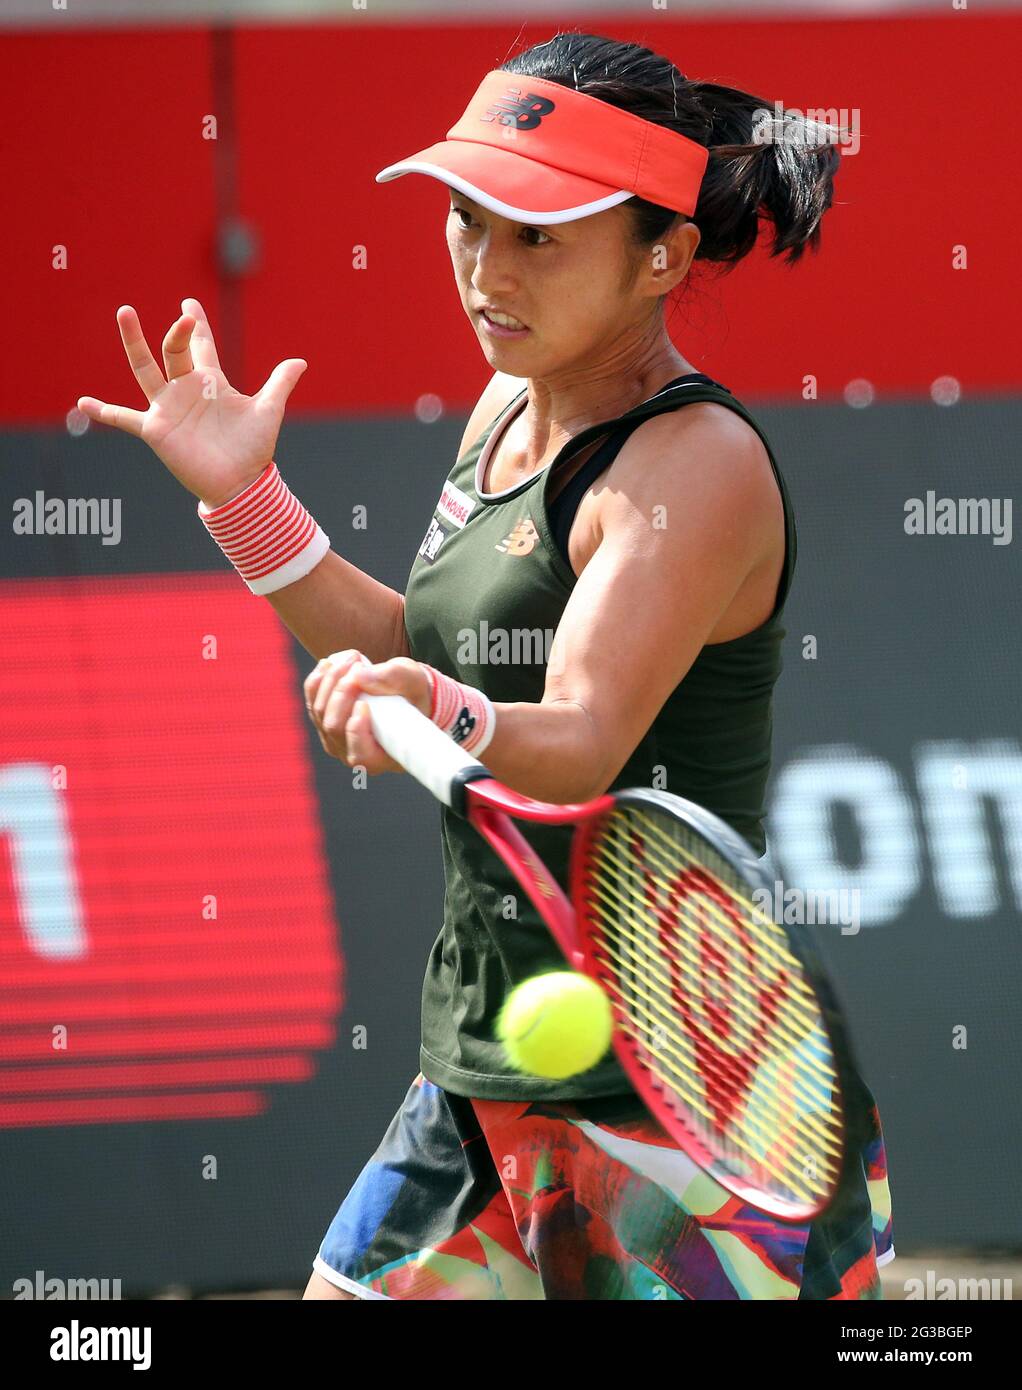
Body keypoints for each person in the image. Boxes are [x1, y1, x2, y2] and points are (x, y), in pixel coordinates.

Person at [77, 31, 893, 1300]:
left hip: (673, 1097)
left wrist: (436, 706)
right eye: (468, 220)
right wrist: (248, 498)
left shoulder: (695, 466)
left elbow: (573, 734)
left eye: (537, 235)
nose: (483, 268)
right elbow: (427, 653)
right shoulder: (508, 405)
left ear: (662, 257)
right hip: (481, 1055)